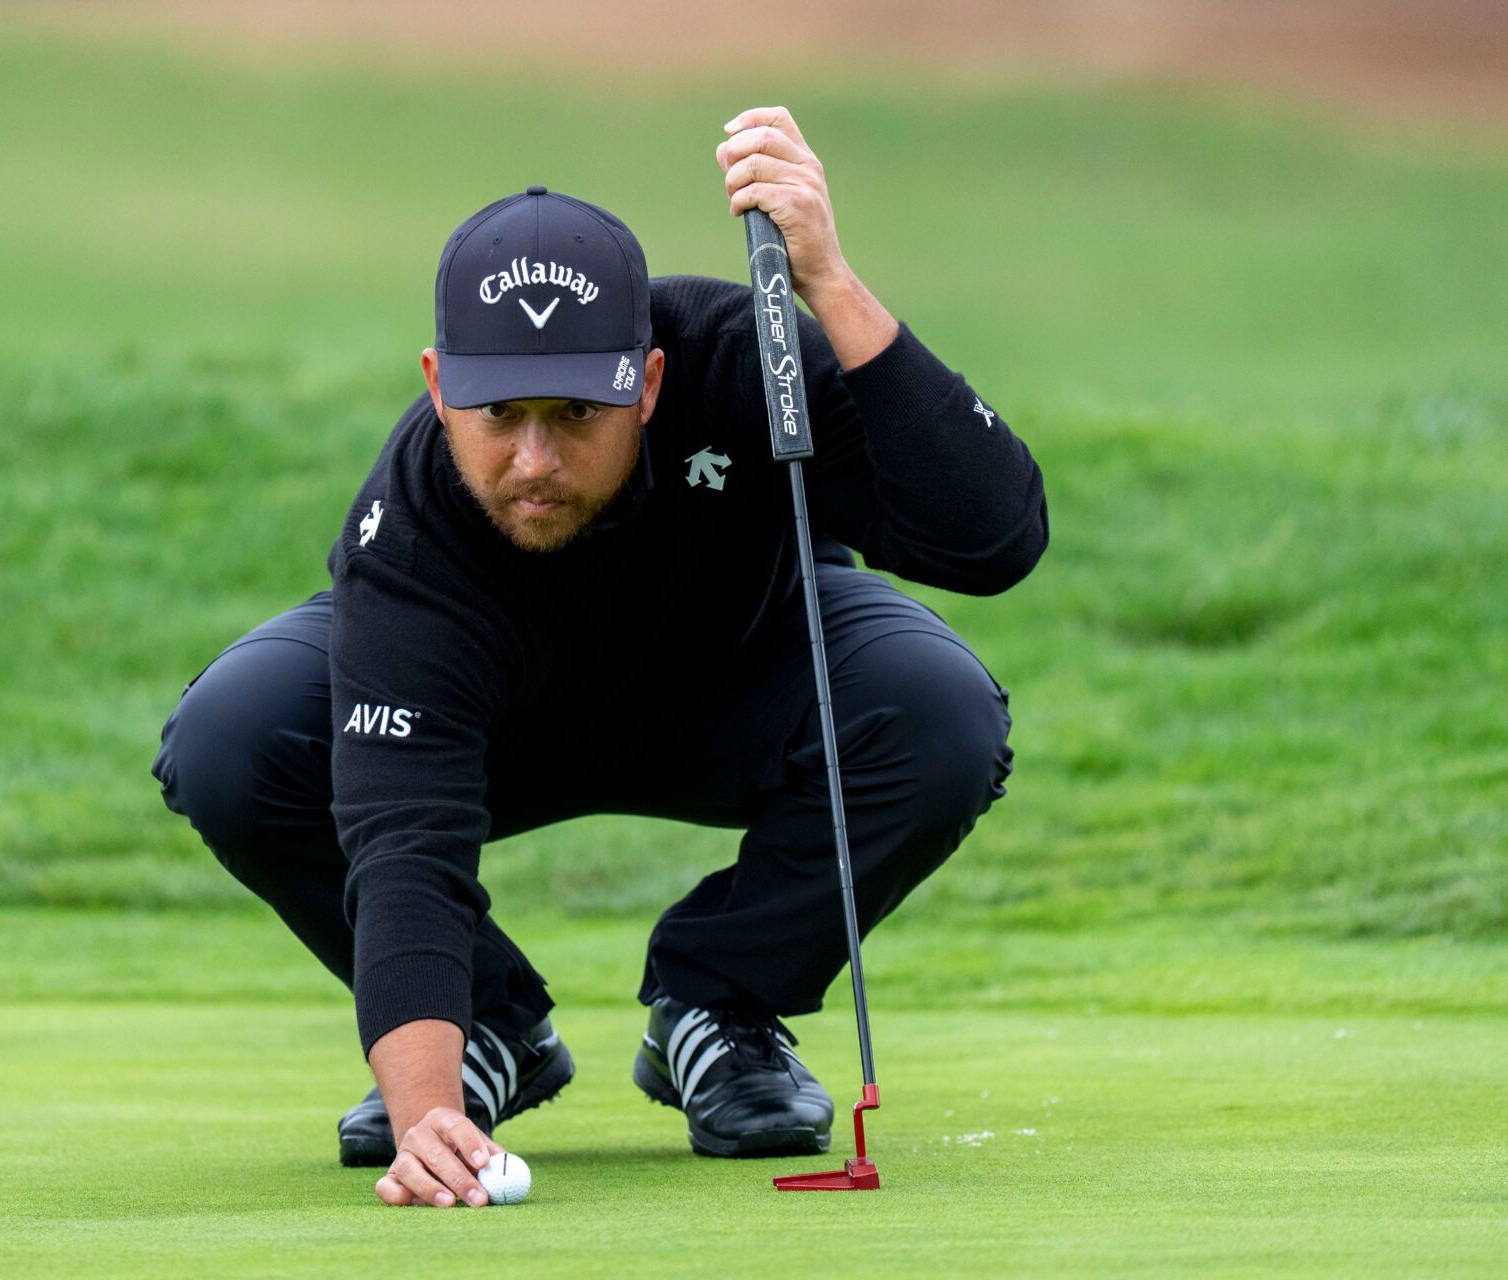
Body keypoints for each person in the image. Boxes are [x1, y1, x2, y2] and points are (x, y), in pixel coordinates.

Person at [153, 106, 1047, 1208]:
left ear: (651, 383)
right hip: (496, 729)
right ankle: (489, 1028)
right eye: (499, 414)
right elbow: (404, 844)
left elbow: (993, 540)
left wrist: (832, 283)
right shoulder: (415, 539)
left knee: (940, 711)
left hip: (743, 671)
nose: (536, 458)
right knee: (233, 736)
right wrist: (430, 1108)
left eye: (580, 410)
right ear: (439, 387)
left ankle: (719, 1007)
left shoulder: (744, 359)